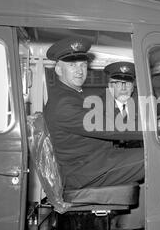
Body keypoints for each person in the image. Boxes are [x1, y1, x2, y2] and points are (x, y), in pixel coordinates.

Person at [44, 36, 144, 190]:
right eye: (72, 65)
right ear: (58, 69)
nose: (79, 71)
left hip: (94, 161)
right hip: (84, 171)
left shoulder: (73, 95)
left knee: (148, 154)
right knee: (156, 157)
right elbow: (110, 127)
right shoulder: (64, 103)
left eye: (83, 65)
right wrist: (152, 128)